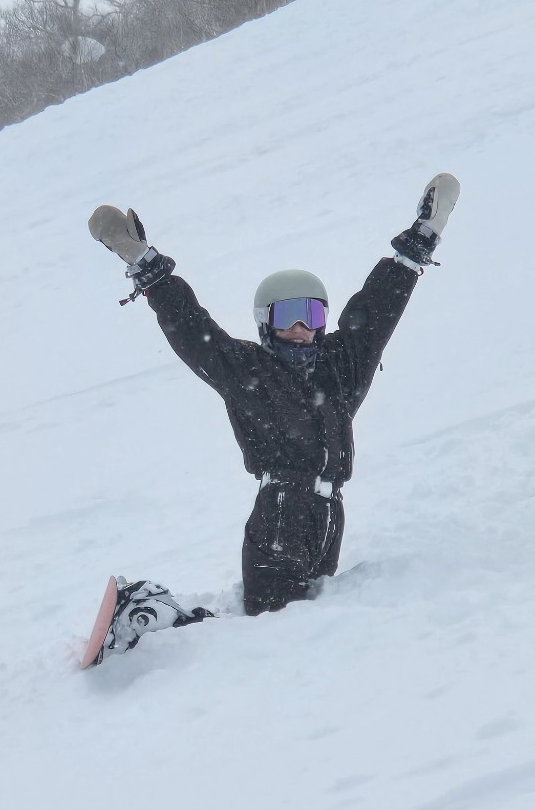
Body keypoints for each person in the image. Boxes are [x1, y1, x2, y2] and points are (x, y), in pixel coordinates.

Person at [86, 174, 459, 663]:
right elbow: (192, 328)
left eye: (312, 315)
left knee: (310, 630)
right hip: (281, 512)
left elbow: (376, 309)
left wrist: (421, 238)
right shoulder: (246, 371)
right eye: (289, 317)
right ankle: (151, 624)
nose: (303, 328)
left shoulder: (341, 367)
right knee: (274, 638)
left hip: (329, 514)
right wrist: (145, 265)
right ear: (266, 323)